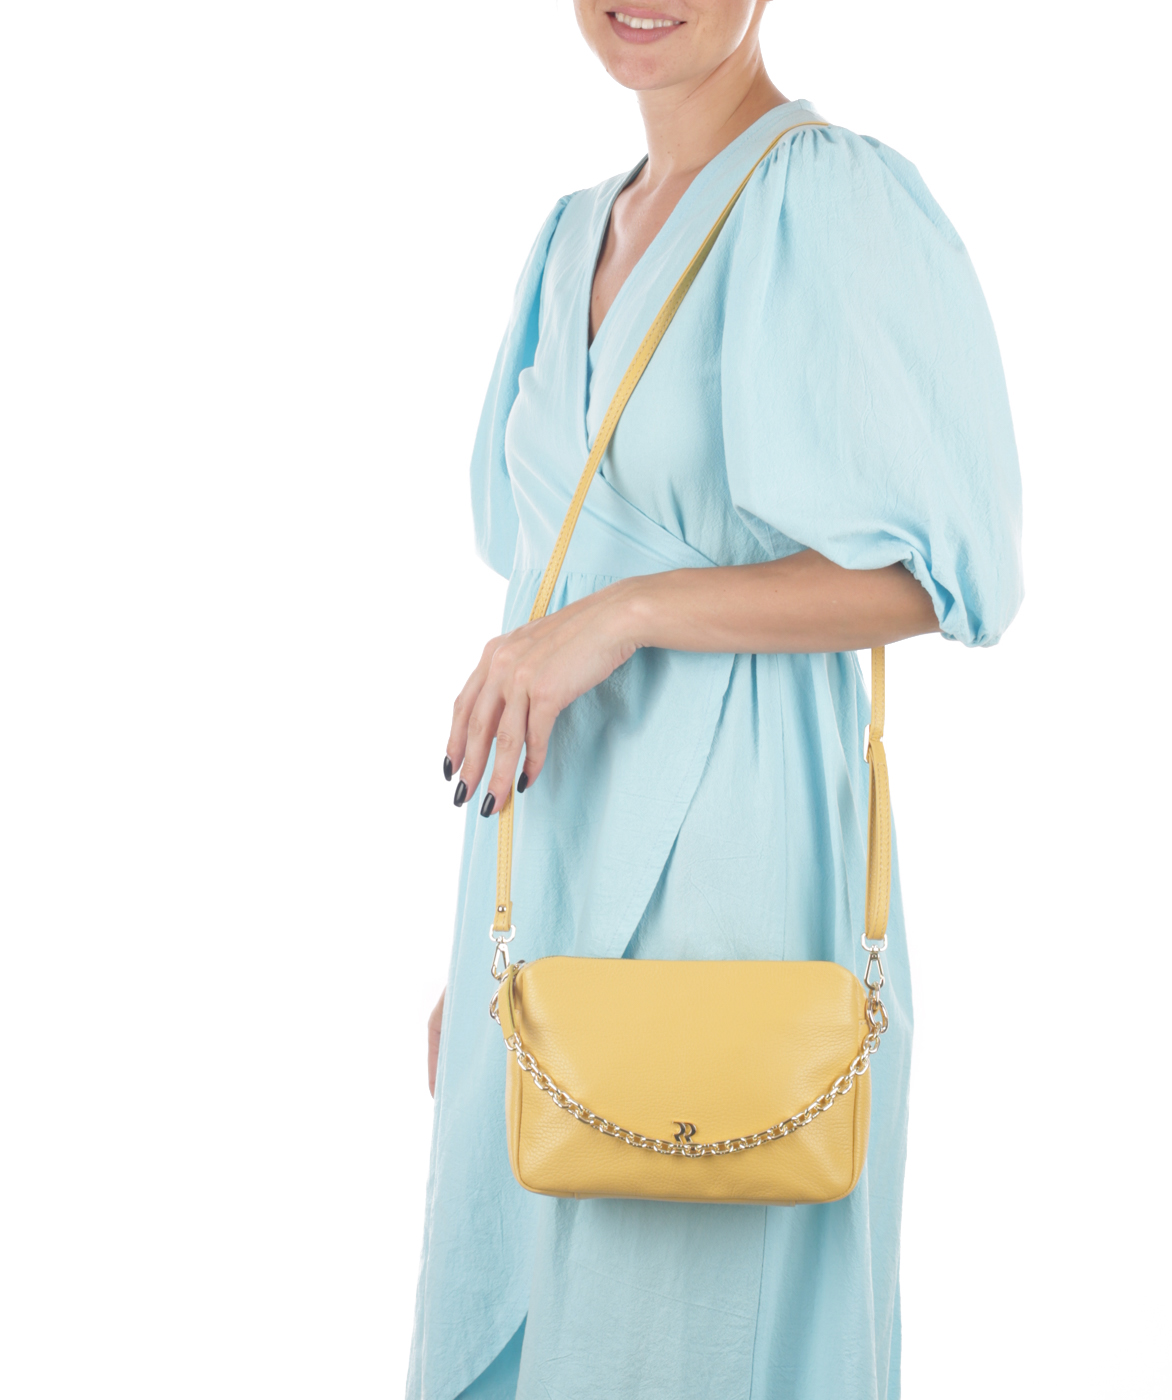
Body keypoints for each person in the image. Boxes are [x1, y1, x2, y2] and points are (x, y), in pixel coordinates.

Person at [409, 3, 1022, 1396]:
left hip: (739, 847)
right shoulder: (568, 234)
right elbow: (536, 577)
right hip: (546, 859)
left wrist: (626, 615)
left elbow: (941, 576)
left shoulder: (832, 197)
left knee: (687, 1321)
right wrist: (490, 938)